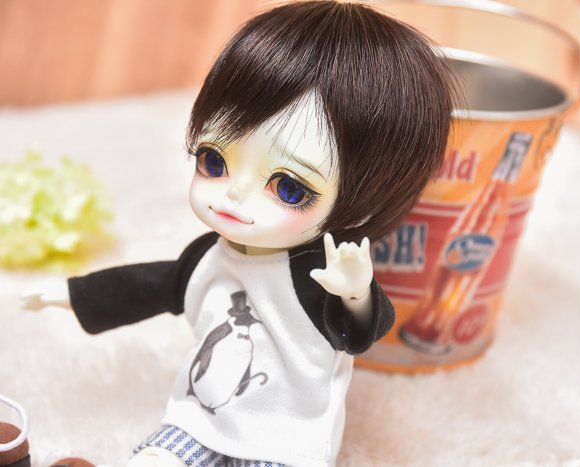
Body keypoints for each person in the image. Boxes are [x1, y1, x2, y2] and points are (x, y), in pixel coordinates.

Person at [23, 1, 455, 466]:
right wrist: (73, 294)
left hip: (283, 441)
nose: (233, 196)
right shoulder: (212, 257)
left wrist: (355, 294)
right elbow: (153, 283)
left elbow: (358, 333)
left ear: (360, 205)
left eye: (288, 188)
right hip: (197, 421)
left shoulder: (316, 276)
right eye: (214, 160)